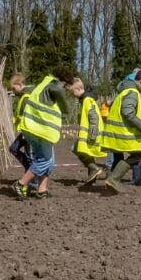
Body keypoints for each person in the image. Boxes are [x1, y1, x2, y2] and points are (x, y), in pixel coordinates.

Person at [11, 68, 71, 200]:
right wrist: (66, 109)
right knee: (44, 160)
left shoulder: (43, 85)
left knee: (50, 160)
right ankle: (20, 184)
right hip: (39, 130)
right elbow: (59, 90)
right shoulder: (54, 85)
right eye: (66, 86)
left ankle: (42, 189)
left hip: (36, 129)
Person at [99, 68, 141, 193]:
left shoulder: (123, 91)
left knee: (118, 158)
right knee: (136, 155)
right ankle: (113, 179)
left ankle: (111, 181)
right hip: (123, 133)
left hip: (114, 132)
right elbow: (128, 113)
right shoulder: (132, 93)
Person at [69, 77, 108, 185]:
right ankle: (92, 177)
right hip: (90, 133)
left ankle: (95, 168)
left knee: (76, 149)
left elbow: (93, 117)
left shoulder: (87, 100)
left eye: (72, 92)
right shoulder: (86, 100)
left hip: (91, 133)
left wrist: (92, 133)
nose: (72, 95)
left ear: (78, 89)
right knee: (88, 153)